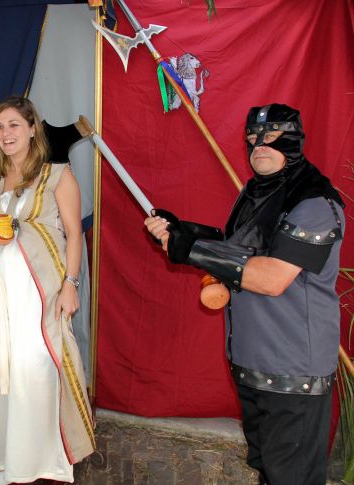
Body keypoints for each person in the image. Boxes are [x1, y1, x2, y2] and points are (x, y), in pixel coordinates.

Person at [145, 104, 344, 485]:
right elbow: (240, 250)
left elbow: (271, 277)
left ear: (294, 139)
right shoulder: (259, 193)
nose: (258, 144)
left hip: (293, 371)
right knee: (270, 472)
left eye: (270, 136)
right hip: (253, 365)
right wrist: (182, 230)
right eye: (252, 137)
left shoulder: (314, 202)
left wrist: (188, 248)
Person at [0, 96, 95, 485]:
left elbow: (75, 234)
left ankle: (44, 460)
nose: (5, 134)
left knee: (39, 369)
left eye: (13, 125)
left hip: (42, 290)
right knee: (4, 369)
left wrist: (71, 285)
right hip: (7, 291)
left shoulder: (58, 174)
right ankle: (9, 457)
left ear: (31, 128)